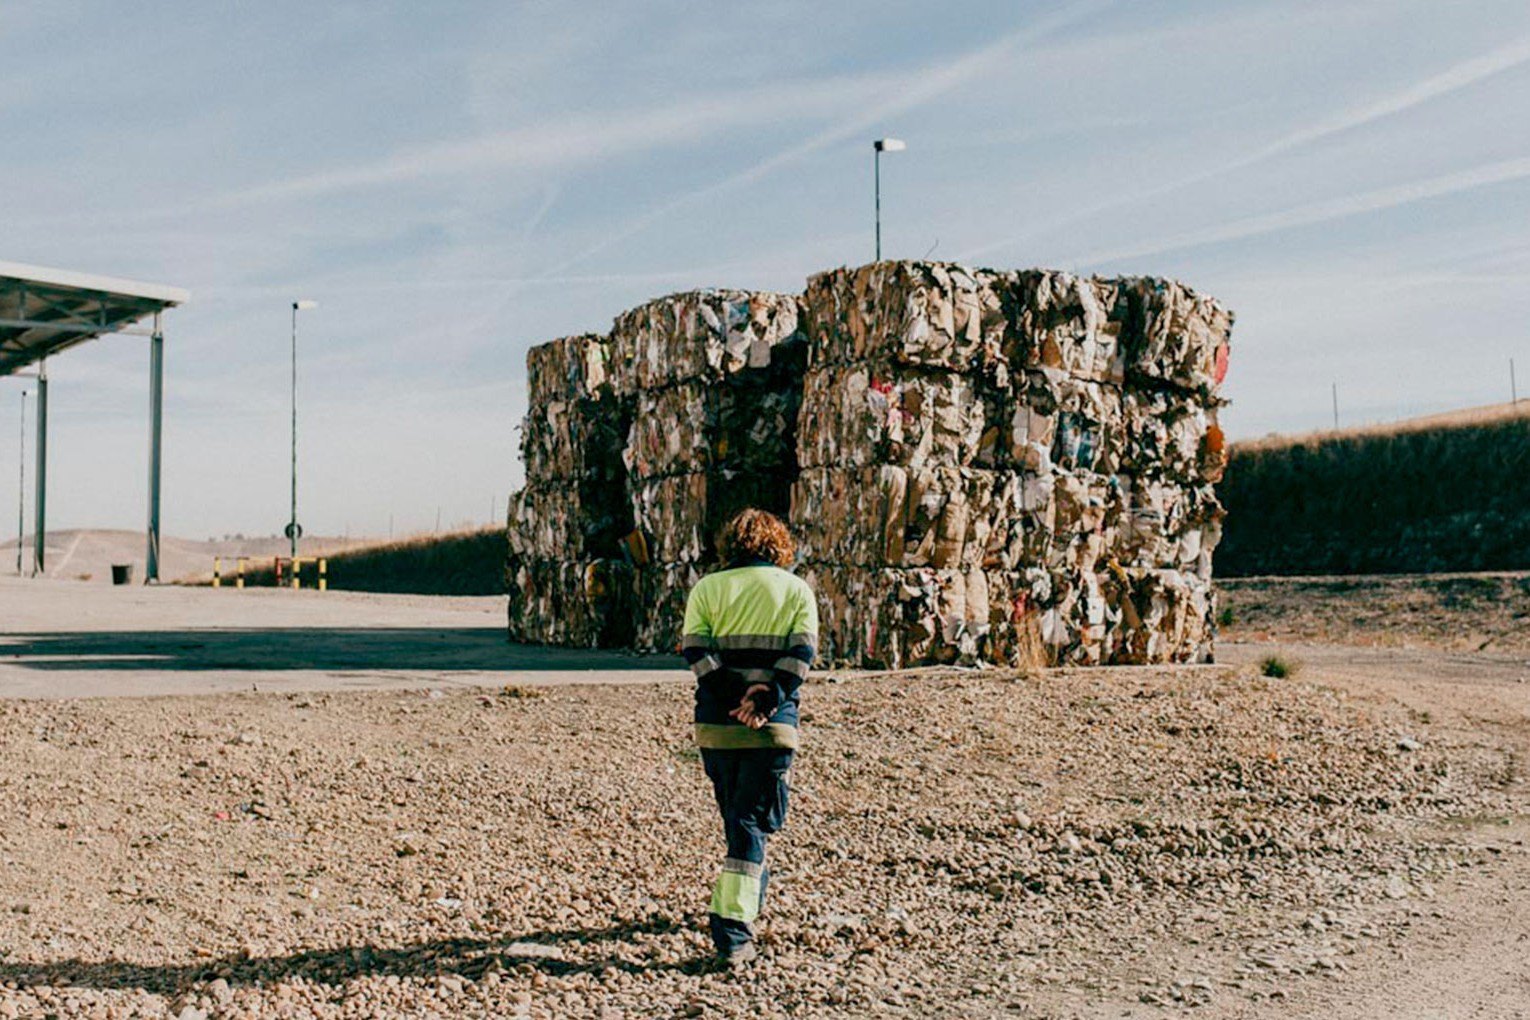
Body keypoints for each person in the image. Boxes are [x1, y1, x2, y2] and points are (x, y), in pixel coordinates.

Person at [681, 508, 818, 967]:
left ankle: (744, 895)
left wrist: (733, 695)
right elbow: (802, 656)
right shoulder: (797, 590)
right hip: (772, 727)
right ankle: (733, 930)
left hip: (717, 729)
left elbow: (695, 651)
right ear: (778, 544)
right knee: (751, 825)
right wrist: (763, 699)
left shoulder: (706, 589)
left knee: (740, 820)